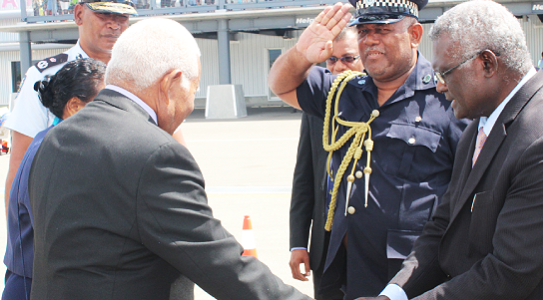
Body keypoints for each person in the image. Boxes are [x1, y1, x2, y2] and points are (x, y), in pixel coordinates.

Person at [28, 18, 311, 300]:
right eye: (194, 89)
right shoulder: (154, 154)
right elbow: (223, 266)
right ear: (171, 82)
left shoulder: (55, 138)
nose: (190, 103)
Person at [359, 1, 543, 299]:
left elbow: (507, 274)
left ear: (486, 63)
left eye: (445, 73)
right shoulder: (480, 123)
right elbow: (443, 227)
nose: (440, 87)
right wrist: (393, 294)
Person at [268, 1, 468, 299]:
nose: (370, 39)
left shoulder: (448, 98)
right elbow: (281, 85)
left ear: (414, 34)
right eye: (363, 31)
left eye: (383, 30)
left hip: (408, 275)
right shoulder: (343, 91)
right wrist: (301, 54)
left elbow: (470, 193)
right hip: (341, 267)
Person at [3, 0, 137, 218]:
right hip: (68, 215)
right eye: (104, 15)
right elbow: (20, 165)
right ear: (78, 14)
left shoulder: (139, 74)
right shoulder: (45, 75)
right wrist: (21, 243)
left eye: (122, 17)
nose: (114, 25)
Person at [2, 59, 106, 300]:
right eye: (106, 103)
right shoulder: (55, 149)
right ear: (75, 107)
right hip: (34, 287)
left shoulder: (55, 140)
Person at [289, 27, 363, 300]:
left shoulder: (384, 105)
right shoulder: (318, 106)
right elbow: (304, 178)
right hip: (325, 244)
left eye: (348, 58)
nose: (339, 67)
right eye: (331, 60)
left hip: (369, 245)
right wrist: (298, 243)